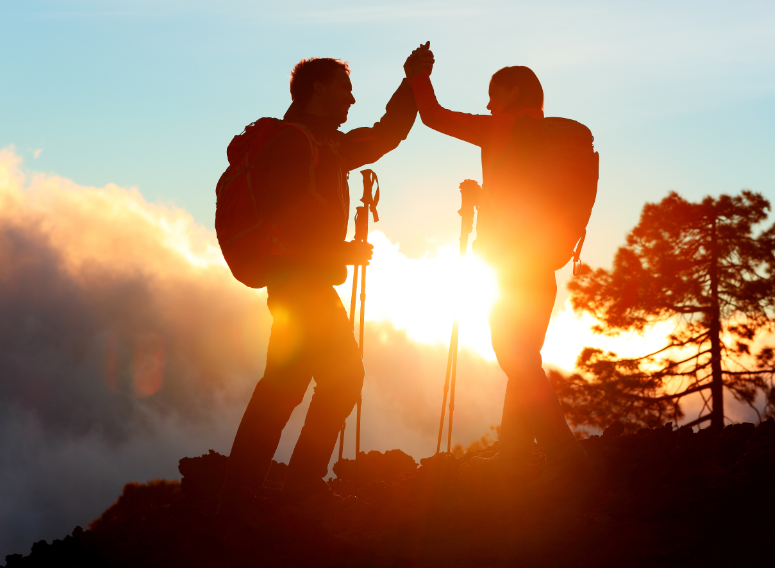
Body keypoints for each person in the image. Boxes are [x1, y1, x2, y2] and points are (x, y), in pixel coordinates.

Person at [221, 54, 421, 508]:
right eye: (343, 89)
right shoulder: (294, 146)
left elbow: (387, 134)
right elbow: (286, 223)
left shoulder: (324, 146)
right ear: (316, 90)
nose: (351, 98)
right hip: (299, 282)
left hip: (301, 282)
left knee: (284, 385)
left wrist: (411, 84)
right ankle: (297, 489)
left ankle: (242, 496)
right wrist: (341, 253)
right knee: (341, 379)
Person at [406, 44, 587, 474]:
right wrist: (484, 197)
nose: (488, 103)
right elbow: (525, 201)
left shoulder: (500, 129)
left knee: (514, 356)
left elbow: (433, 117)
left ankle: (564, 451)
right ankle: (513, 453)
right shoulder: (556, 139)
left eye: (494, 93)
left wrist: (417, 75)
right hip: (544, 265)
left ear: (512, 93)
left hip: (507, 267)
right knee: (523, 358)